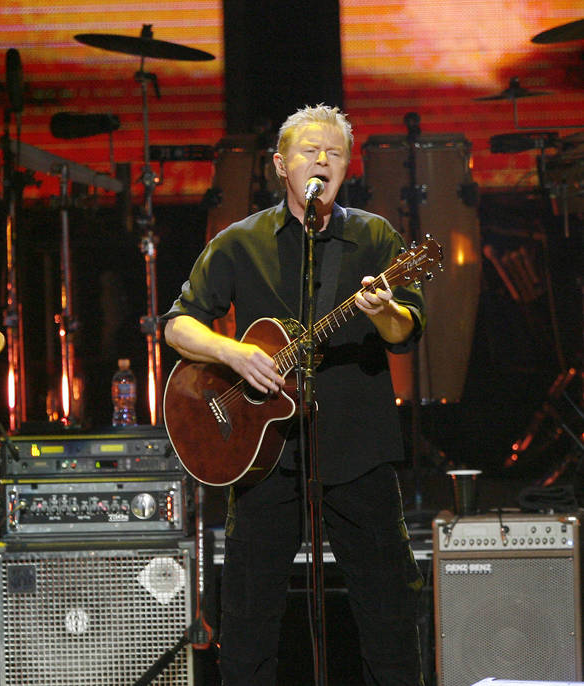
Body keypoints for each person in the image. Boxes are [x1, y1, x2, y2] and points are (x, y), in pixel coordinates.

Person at [162, 104, 425, 685]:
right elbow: (177, 325)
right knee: (251, 618)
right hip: (265, 453)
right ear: (282, 166)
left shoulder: (375, 236)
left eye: (335, 153)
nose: (323, 160)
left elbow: (407, 332)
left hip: (359, 449)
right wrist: (234, 352)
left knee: (388, 609)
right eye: (311, 151)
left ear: (347, 167)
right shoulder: (241, 242)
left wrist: (383, 314)